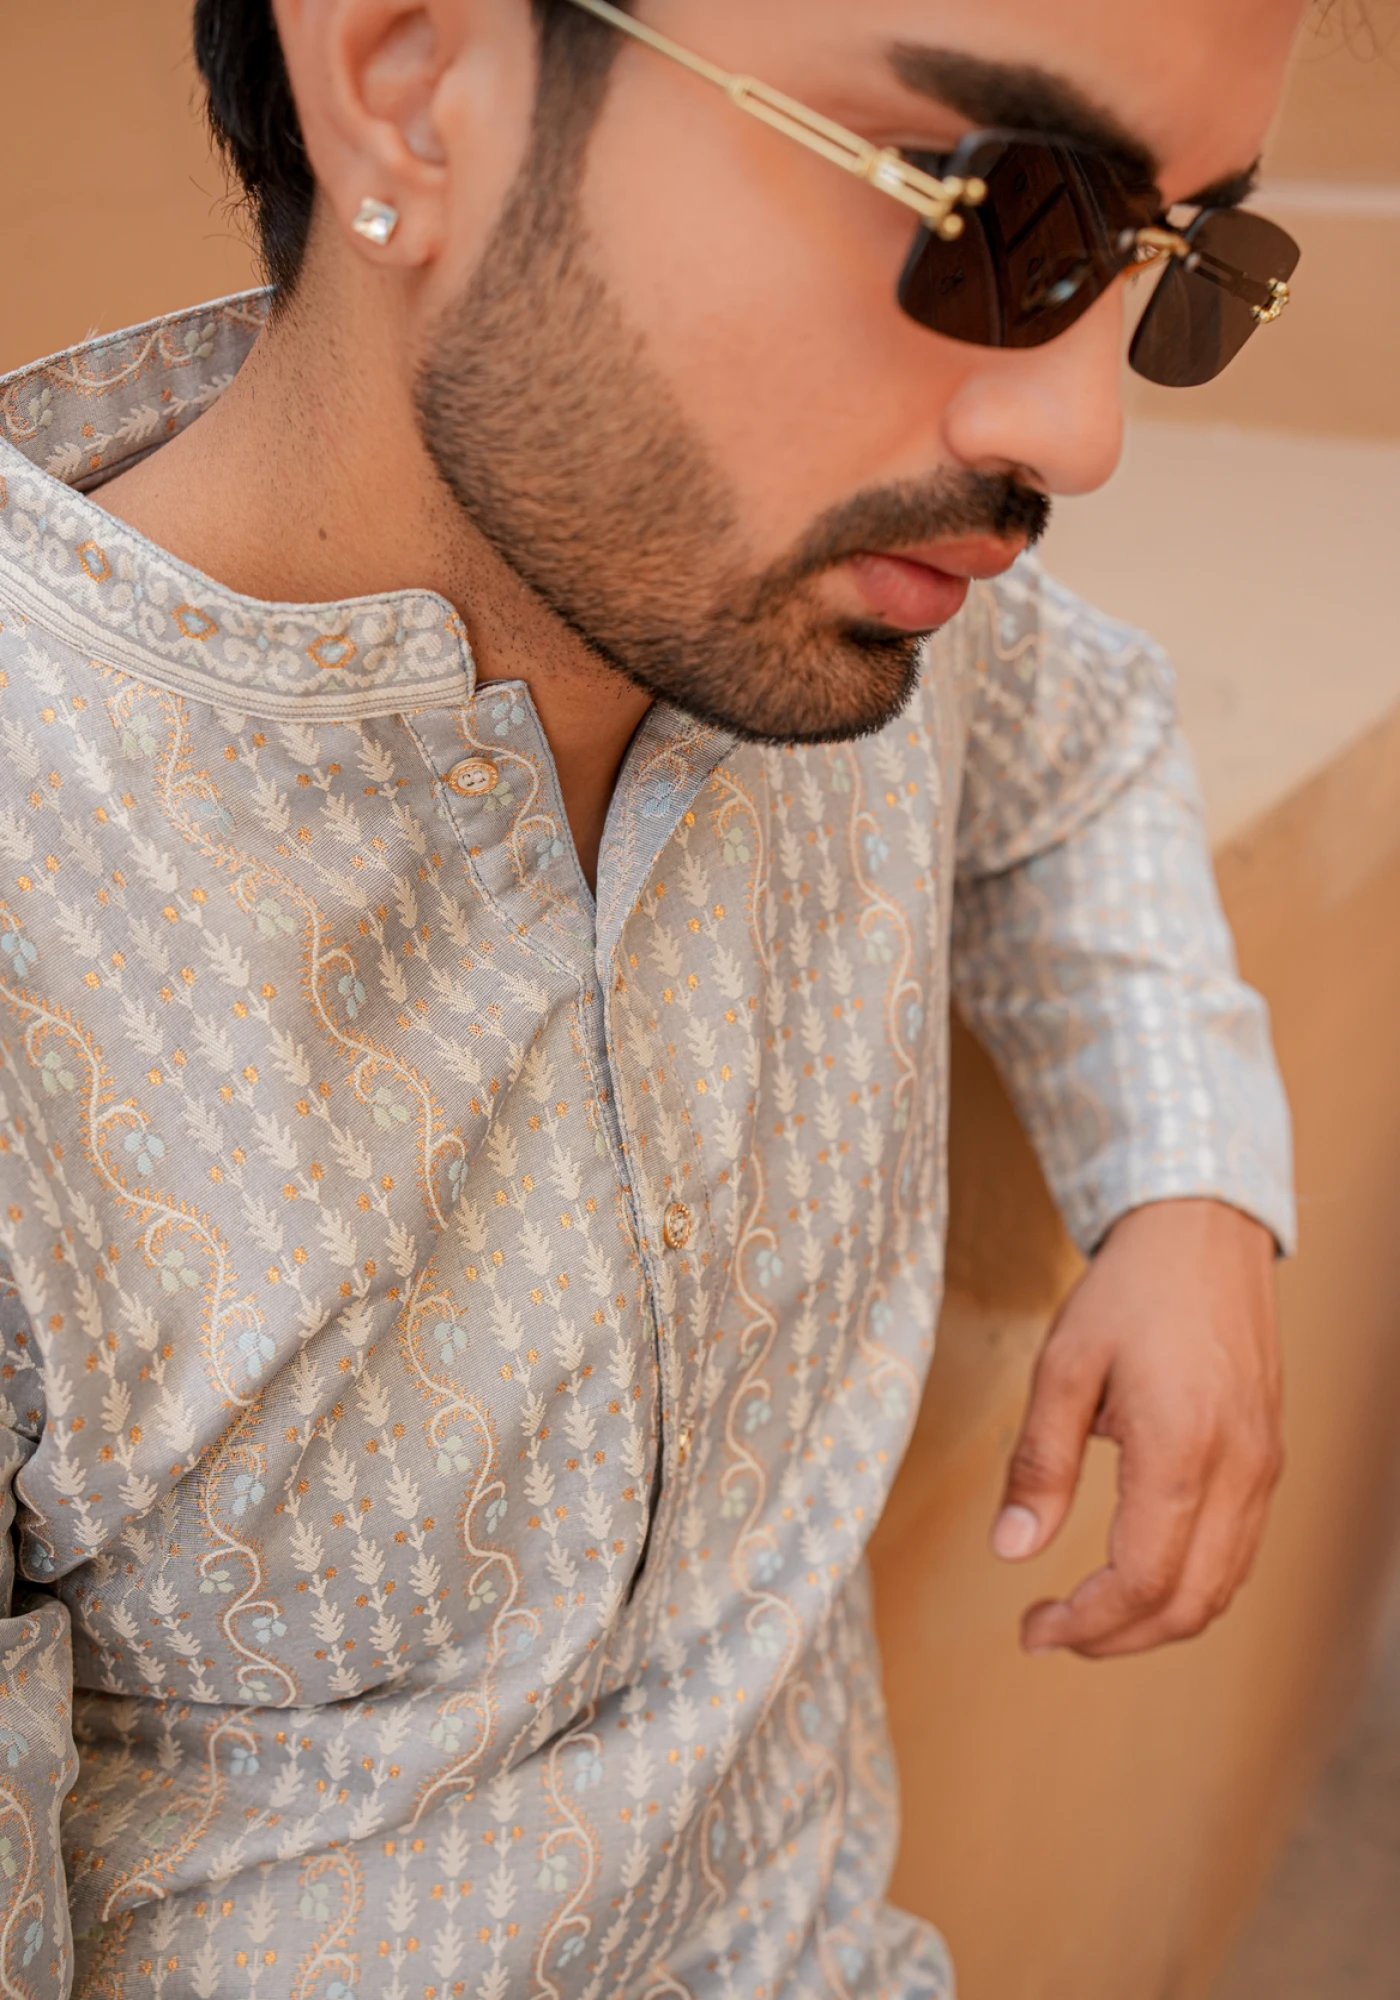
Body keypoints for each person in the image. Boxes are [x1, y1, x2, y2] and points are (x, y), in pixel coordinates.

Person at [0, 0, 1305, 1991]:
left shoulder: (851, 590)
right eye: (991, 211)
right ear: (407, 78)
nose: (1083, 427)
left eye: (1171, 266)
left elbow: (1087, 748)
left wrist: (1187, 1178)